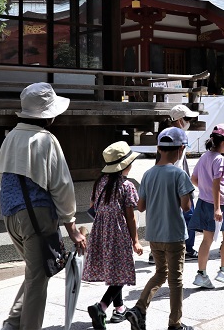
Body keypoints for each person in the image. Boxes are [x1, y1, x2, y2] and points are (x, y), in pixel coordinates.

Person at [0, 82, 86, 330]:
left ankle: (12, 324)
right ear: (48, 115)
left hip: (9, 213)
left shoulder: (10, 137)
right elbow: (62, 185)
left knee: (35, 271)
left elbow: (1, 178)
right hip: (36, 215)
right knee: (38, 278)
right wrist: (72, 227)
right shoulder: (46, 140)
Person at [126, 127, 195, 330]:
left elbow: (141, 206)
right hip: (174, 235)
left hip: (154, 235)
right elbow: (186, 207)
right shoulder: (179, 174)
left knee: (159, 273)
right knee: (176, 281)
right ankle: (175, 324)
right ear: (181, 149)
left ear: (159, 148)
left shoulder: (148, 174)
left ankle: (139, 308)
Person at [83, 141, 143, 330]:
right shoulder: (127, 186)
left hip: (100, 232)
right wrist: (135, 240)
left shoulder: (99, 183)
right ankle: (101, 306)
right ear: (124, 165)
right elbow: (130, 217)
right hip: (118, 232)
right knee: (122, 273)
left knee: (116, 271)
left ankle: (119, 308)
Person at [148, 104, 200, 264]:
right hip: (177, 181)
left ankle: (156, 253)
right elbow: (176, 163)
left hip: (164, 179)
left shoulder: (165, 135)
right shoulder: (178, 136)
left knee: (163, 216)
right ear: (179, 120)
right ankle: (188, 249)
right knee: (188, 215)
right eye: (188, 119)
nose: (190, 122)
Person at [189, 123, 224, 288]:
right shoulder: (220, 160)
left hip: (203, 201)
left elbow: (194, 179)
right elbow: (217, 185)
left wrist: (205, 190)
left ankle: (201, 274)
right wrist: (217, 207)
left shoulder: (204, 157)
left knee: (206, 239)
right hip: (220, 204)